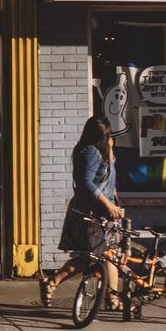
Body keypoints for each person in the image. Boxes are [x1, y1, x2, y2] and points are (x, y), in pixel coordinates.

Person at [40, 116, 126, 308]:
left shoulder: (102, 150)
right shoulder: (91, 152)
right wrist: (108, 205)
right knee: (103, 255)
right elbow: (86, 184)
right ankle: (111, 298)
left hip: (106, 211)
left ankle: (54, 281)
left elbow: (108, 181)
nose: (110, 138)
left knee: (99, 256)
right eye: (107, 135)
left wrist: (111, 152)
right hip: (93, 211)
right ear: (98, 136)